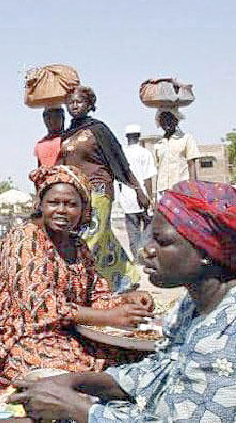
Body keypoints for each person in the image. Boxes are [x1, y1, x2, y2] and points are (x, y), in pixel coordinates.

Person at [9, 180, 236, 423]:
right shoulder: (192, 305)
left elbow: (97, 293)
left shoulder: (226, 333)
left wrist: (77, 407)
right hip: (33, 331)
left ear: (207, 252)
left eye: (162, 241)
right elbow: (158, 370)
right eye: (54, 203)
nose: (145, 250)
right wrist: (74, 381)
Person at [0, 165, 153, 387]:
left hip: (68, 330)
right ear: (40, 205)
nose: (61, 210)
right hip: (18, 335)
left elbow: (96, 295)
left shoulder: (78, 245)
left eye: (71, 204)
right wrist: (111, 316)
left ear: (83, 208)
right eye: (53, 203)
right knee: (77, 371)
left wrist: (126, 301)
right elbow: (42, 309)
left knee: (136, 357)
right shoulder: (25, 239)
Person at [60, 86, 147, 292]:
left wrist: (138, 189)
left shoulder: (98, 129)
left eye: (79, 101)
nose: (74, 105)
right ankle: (126, 277)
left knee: (90, 236)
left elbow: (119, 159)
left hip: (99, 188)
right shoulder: (68, 134)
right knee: (103, 235)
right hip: (78, 192)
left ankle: (87, 284)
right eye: (70, 102)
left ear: (89, 105)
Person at [117, 125, 157, 262]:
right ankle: (145, 253)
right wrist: (150, 197)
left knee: (132, 229)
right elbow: (148, 178)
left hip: (127, 199)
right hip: (143, 197)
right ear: (139, 136)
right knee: (148, 226)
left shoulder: (121, 154)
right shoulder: (145, 153)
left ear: (127, 137)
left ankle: (136, 257)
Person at [154, 108, 201, 196]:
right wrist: (156, 197)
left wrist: (194, 189)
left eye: (169, 119)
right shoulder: (158, 144)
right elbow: (158, 169)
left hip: (181, 190)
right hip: (163, 191)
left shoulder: (186, 138)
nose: (166, 122)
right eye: (163, 119)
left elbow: (191, 164)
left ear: (176, 121)